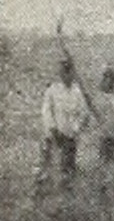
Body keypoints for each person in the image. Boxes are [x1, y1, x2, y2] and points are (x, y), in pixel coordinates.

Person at [38, 57, 91, 191]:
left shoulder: (77, 92)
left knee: (68, 168)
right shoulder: (52, 90)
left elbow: (84, 113)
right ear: (60, 73)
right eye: (63, 72)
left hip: (70, 136)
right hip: (54, 136)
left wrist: (75, 129)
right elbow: (46, 111)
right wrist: (53, 129)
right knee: (50, 166)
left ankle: (66, 190)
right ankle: (46, 189)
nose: (66, 75)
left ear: (72, 73)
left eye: (69, 71)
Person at [89, 67, 114, 195]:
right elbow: (95, 117)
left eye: (112, 79)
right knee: (103, 160)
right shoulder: (98, 97)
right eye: (107, 79)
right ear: (104, 80)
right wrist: (100, 129)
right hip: (104, 134)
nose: (109, 82)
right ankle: (102, 185)